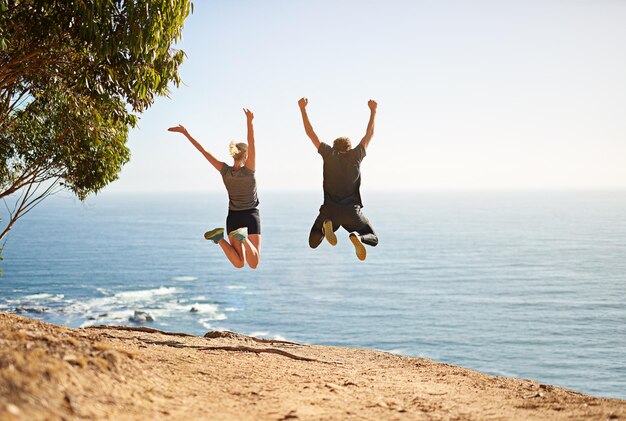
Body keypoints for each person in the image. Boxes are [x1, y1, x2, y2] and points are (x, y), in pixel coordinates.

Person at [167, 109, 261, 269]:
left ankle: (219, 237)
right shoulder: (249, 170)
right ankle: (243, 238)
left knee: (239, 263)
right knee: (254, 263)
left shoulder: (225, 171)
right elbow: (251, 142)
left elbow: (204, 151)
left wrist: (186, 133)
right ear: (246, 156)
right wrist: (249, 121)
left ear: (234, 155)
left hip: (233, 218)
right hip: (250, 215)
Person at [298, 97, 379, 261]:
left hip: (330, 210)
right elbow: (369, 133)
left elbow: (310, 133)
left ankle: (325, 227)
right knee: (373, 237)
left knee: (313, 242)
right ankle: (358, 237)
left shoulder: (329, 154)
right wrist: (373, 111)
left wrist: (303, 108)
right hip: (352, 213)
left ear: (334, 147)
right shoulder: (356, 155)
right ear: (349, 148)